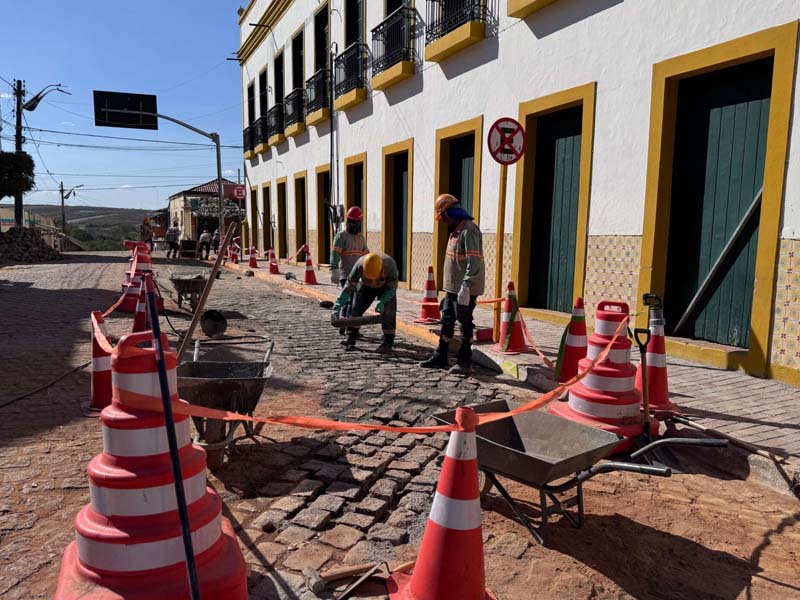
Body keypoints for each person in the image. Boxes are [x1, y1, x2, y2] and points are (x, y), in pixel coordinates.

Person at [420, 194, 485, 375]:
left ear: (450, 212)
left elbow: (474, 262)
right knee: (447, 319)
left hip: (465, 288)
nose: (443, 221)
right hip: (452, 288)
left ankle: (464, 361)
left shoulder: (468, 231)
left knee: (465, 322)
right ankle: (441, 355)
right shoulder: (456, 230)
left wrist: (466, 285)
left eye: (443, 216)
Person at [333, 252, 398, 353]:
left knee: (389, 313)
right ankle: (351, 338)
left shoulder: (390, 266)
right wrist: (337, 306)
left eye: (375, 279)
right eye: (369, 279)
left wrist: (382, 301)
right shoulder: (359, 266)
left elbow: (392, 288)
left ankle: (388, 343)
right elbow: (348, 288)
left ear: (382, 271)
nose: (373, 283)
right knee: (356, 309)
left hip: (386, 288)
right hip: (366, 288)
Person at [330, 206, 369, 333]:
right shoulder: (341, 236)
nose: (353, 225)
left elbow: (366, 255)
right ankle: (345, 325)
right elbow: (335, 254)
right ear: (347, 221)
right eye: (351, 222)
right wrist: (334, 269)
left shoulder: (361, 238)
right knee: (347, 300)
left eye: (355, 222)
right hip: (346, 275)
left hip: (358, 276)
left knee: (355, 302)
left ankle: (348, 325)